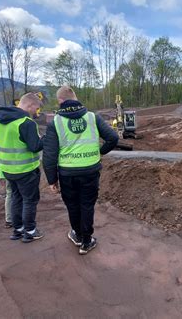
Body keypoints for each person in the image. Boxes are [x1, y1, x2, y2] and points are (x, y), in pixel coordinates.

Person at [43, 86, 118, 255]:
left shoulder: (55, 122)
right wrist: (100, 151)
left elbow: (49, 155)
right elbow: (113, 138)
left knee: (72, 205)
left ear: (60, 102)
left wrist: (51, 179)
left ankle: (77, 235)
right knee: (87, 205)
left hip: (67, 174)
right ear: (76, 98)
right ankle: (86, 241)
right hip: (90, 172)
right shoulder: (92, 117)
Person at [0, 93, 44, 243]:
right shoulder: (26, 123)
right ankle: (30, 231)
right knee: (29, 201)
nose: (37, 111)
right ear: (29, 105)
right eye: (36, 108)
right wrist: (46, 139)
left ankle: (18, 230)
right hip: (26, 169)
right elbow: (35, 147)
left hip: (8, 170)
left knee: (16, 198)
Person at [0, 144, 13, 227]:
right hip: (18, 168)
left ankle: (9, 219)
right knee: (21, 194)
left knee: (10, 193)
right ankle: (18, 219)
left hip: (5, 167)